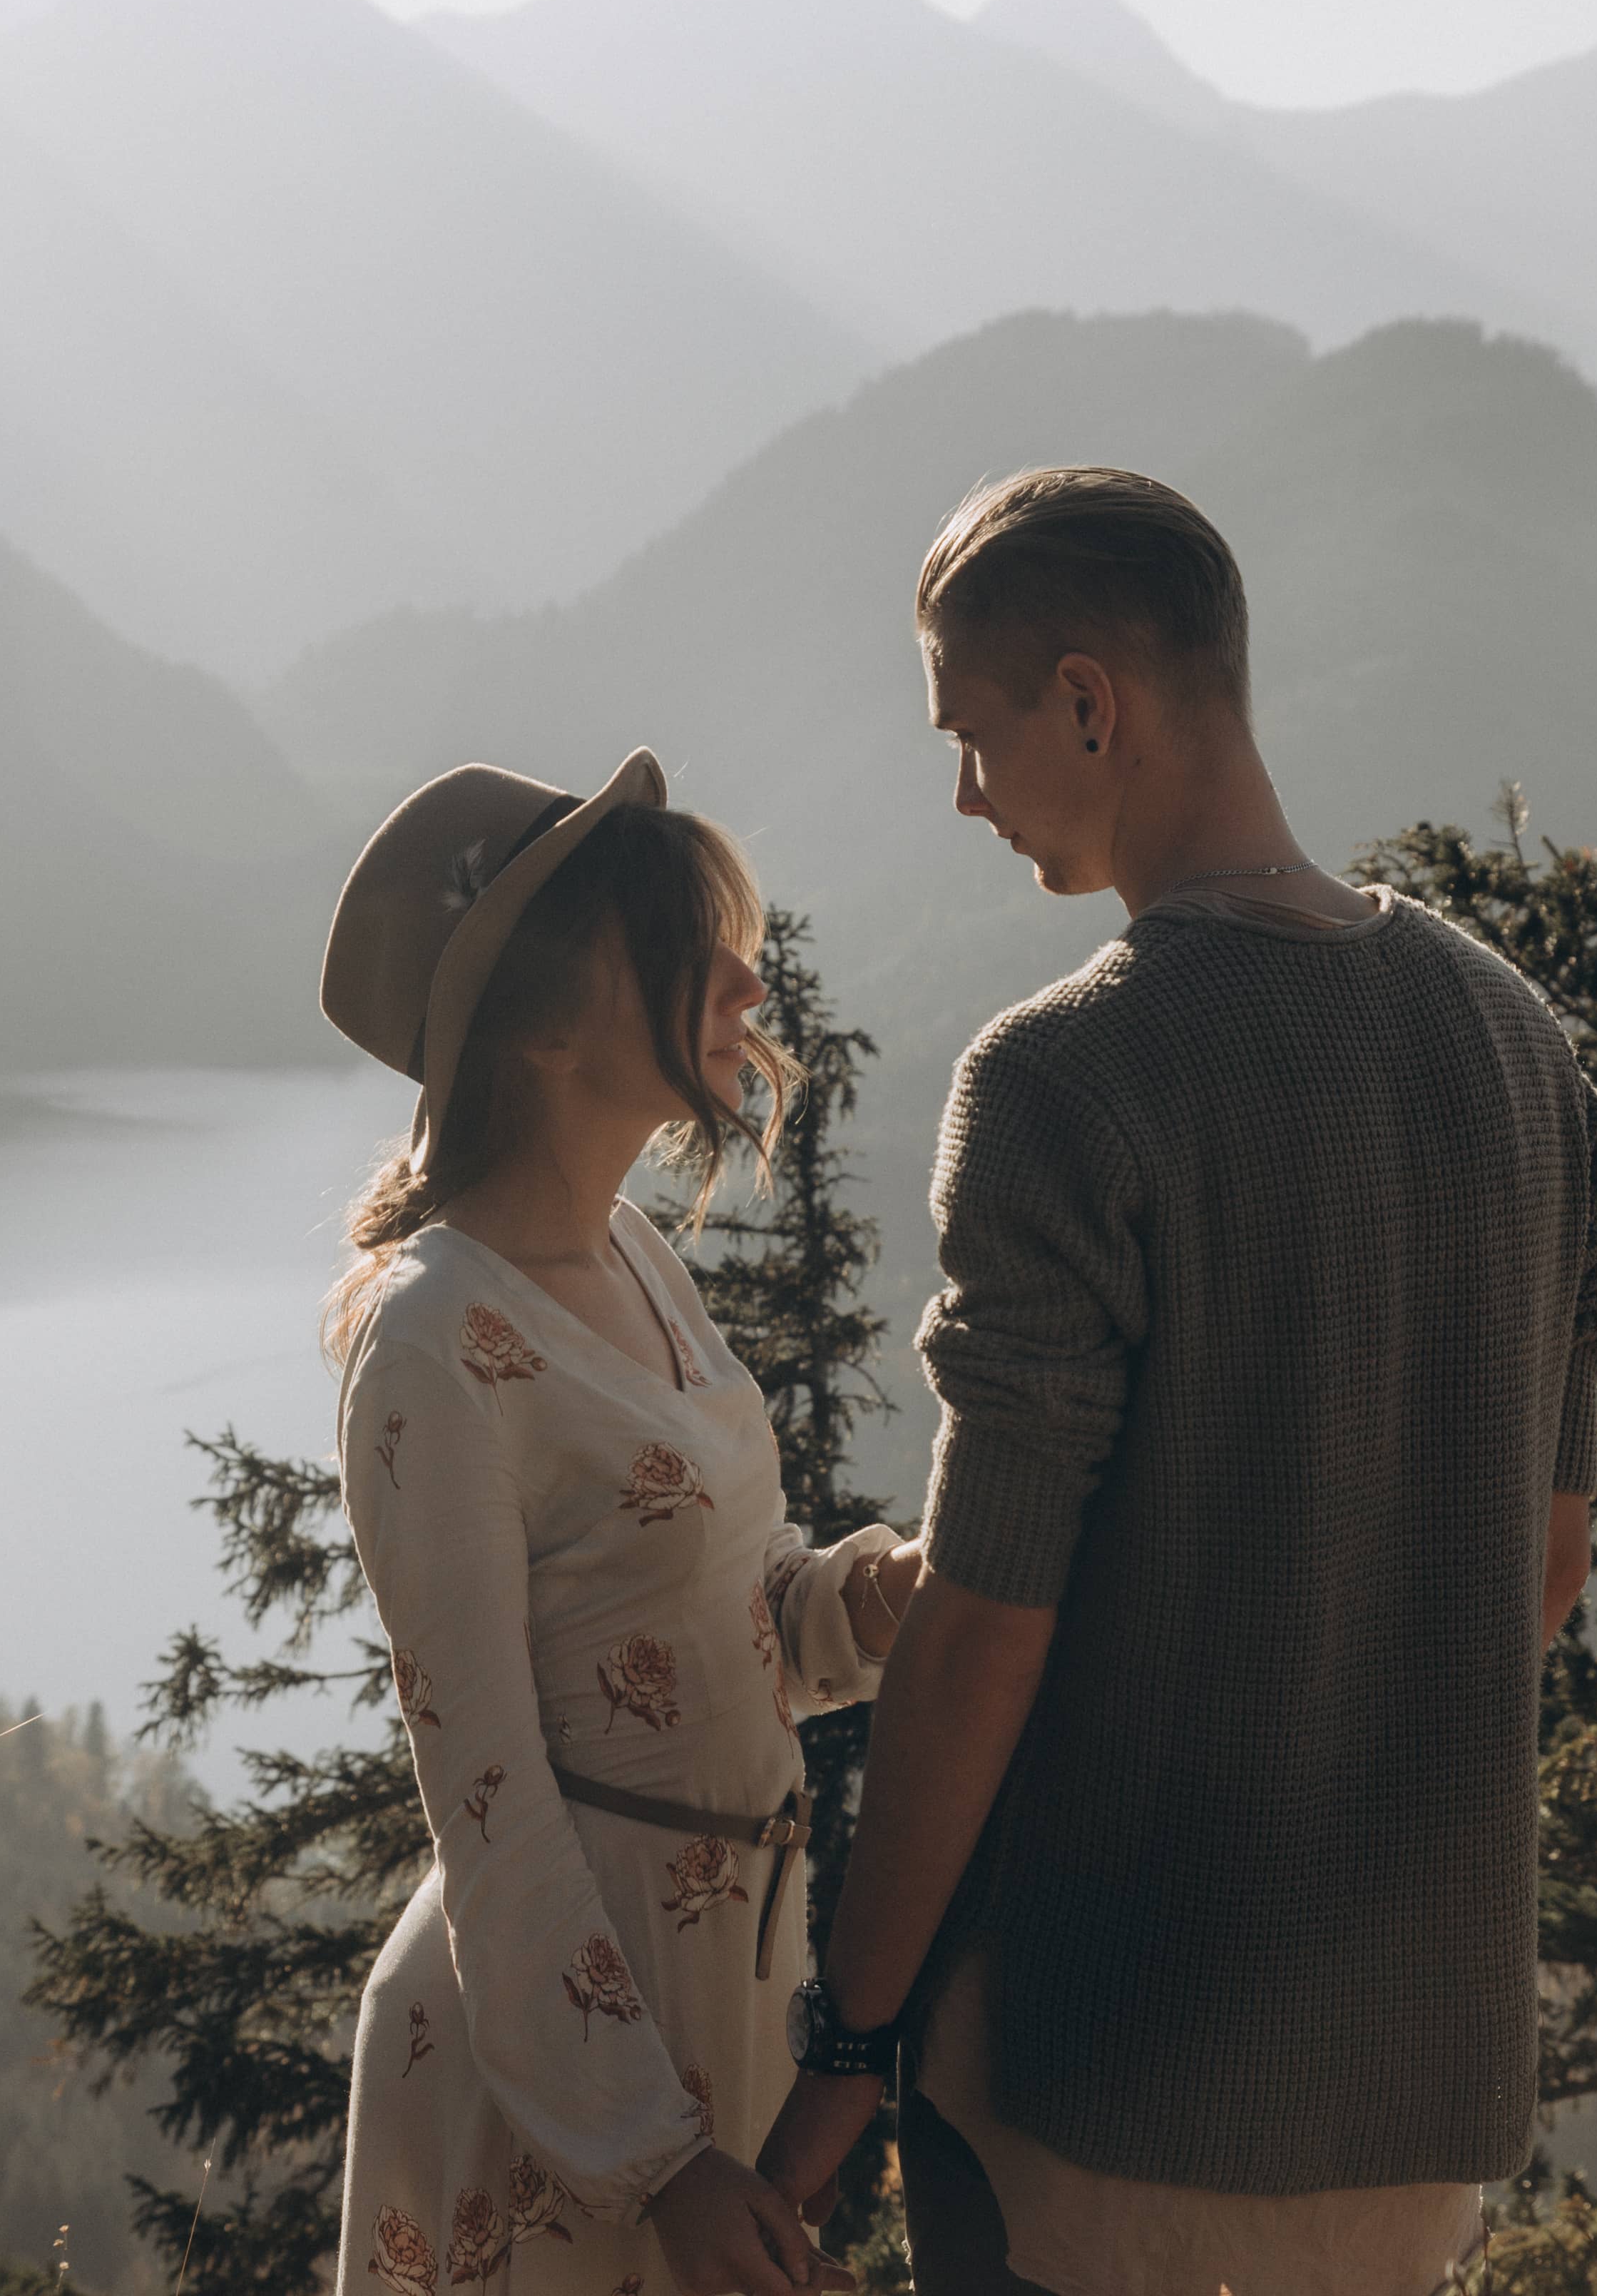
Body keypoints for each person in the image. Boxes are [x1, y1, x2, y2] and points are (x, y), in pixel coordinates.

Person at [754, 469, 1597, 2296]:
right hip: (1415, 2102)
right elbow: (1539, 1570)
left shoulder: (1067, 1080)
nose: (964, 794)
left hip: (1105, 2093)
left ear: (1090, 701)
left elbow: (988, 1625)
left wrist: (843, 2057)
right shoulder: (1515, 1045)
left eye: (973, 733)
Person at [322, 750, 927, 2296]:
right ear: (541, 1027)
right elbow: (491, 1796)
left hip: (708, 2010)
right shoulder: (433, 1337)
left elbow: (705, 1630)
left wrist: (859, 1605)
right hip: (565, 2078)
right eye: (677, 947)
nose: (743, 975)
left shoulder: (636, 1259)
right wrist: (649, 2157)